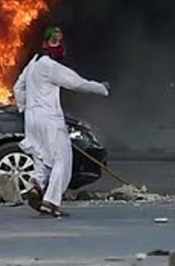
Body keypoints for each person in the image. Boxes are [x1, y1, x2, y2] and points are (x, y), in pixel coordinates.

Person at [13, 26, 110, 217]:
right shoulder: (49, 66)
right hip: (50, 120)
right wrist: (102, 88)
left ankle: (36, 188)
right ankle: (50, 202)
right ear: (45, 43)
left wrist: (25, 108)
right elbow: (77, 83)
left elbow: (18, 87)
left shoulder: (32, 63)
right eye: (54, 41)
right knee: (62, 161)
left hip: (32, 120)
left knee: (42, 160)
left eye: (59, 41)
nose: (58, 45)